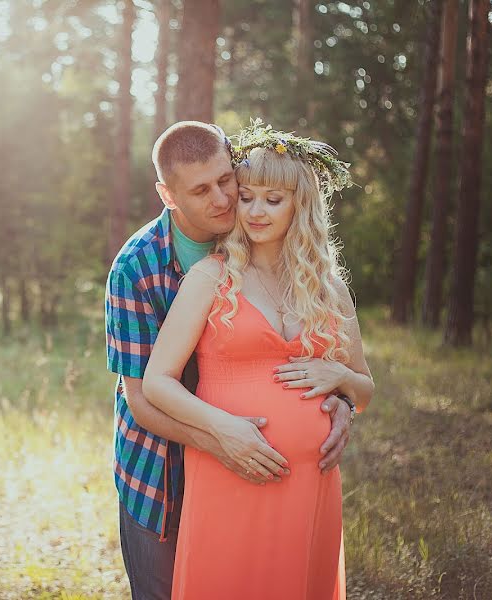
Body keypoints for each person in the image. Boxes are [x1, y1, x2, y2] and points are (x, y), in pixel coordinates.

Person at [105, 121, 356, 600]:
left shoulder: (256, 233)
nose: (222, 199)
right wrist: (222, 439)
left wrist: (340, 401)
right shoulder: (136, 267)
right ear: (168, 194)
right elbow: (140, 399)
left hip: (262, 469)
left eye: (226, 179)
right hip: (158, 465)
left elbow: (311, 342)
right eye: (201, 190)